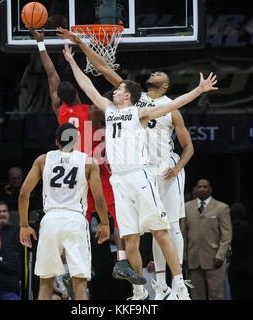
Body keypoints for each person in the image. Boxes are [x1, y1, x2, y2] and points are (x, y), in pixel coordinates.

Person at [62, 42, 217, 299]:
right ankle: (138, 291)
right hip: (119, 181)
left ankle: (177, 283)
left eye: (118, 89)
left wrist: (198, 90)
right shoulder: (109, 111)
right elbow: (87, 86)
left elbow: (174, 104)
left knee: (160, 231)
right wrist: (71, 62)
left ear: (127, 95)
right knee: (130, 239)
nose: (113, 91)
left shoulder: (140, 113)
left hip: (140, 175)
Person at [27, 27, 142, 286]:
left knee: (76, 220)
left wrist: (41, 45)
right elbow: (110, 108)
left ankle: (71, 267)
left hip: (76, 173)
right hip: (100, 169)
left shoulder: (59, 110)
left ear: (59, 98)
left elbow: (50, 74)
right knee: (118, 217)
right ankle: (121, 260)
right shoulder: (92, 111)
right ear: (78, 94)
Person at [18, 123, 110, 300]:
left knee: (45, 284)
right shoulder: (89, 162)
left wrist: (24, 225)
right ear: (76, 142)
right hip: (75, 220)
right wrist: (105, 223)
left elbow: (23, 193)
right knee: (80, 283)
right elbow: (99, 199)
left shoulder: (43, 160)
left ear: (56, 141)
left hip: (50, 219)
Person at [181, 178, 232, 300]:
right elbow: (183, 234)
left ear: (210, 189)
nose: (202, 189)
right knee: (196, 296)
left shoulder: (221, 207)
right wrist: (184, 256)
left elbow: (226, 234)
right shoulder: (187, 207)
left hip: (214, 259)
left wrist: (220, 255)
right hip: (193, 259)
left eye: (205, 187)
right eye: (199, 187)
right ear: (196, 189)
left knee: (216, 295)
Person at [228, 202, 253, 300]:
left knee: (235, 291)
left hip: (234, 263)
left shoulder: (230, 228)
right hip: (247, 264)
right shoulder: (248, 226)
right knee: (248, 291)